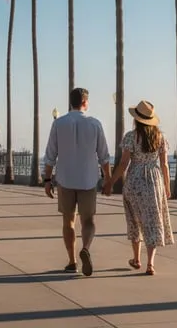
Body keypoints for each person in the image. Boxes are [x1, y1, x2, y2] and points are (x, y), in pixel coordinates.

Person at [43, 87, 111, 276]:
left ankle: (72, 261)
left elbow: (50, 155)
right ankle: (86, 248)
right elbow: (104, 156)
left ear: (70, 102)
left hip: (65, 179)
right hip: (88, 179)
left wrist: (47, 179)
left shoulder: (59, 124)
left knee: (68, 221)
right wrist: (108, 180)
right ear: (85, 102)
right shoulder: (95, 124)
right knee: (88, 221)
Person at [105, 100, 174, 276]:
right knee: (152, 220)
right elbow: (164, 164)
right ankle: (150, 264)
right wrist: (167, 185)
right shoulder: (161, 137)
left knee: (134, 220)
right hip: (154, 181)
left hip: (134, 180)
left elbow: (123, 163)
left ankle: (136, 258)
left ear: (136, 119)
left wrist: (111, 182)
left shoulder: (130, 137)